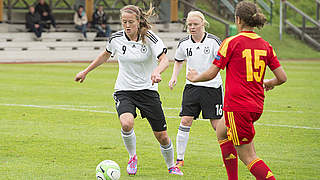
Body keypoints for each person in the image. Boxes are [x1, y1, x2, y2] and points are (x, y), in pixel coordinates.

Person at [74, 4, 183, 176]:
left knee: (161, 135)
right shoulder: (116, 38)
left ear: (139, 21)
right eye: (124, 22)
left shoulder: (150, 38)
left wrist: (156, 72)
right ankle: (132, 157)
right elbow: (105, 54)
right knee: (126, 123)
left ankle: (171, 165)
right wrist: (86, 71)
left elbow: (164, 60)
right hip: (124, 90)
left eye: (130, 21)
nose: (127, 25)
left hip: (148, 91)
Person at [187, 1, 287, 180]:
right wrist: (269, 82)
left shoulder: (231, 42)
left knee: (249, 157)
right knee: (222, 131)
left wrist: (195, 77)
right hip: (256, 105)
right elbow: (282, 78)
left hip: (238, 106)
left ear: (238, 20)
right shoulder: (265, 45)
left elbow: (211, 74)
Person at [168, 11, 223, 168]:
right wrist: (174, 77)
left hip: (212, 88)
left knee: (217, 125)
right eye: (189, 25)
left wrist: (206, 76)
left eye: (195, 24)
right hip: (191, 88)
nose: (192, 27)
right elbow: (179, 60)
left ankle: (229, 155)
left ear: (203, 24)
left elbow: (220, 64)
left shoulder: (213, 42)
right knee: (185, 120)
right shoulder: (184, 43)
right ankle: (179, 159)